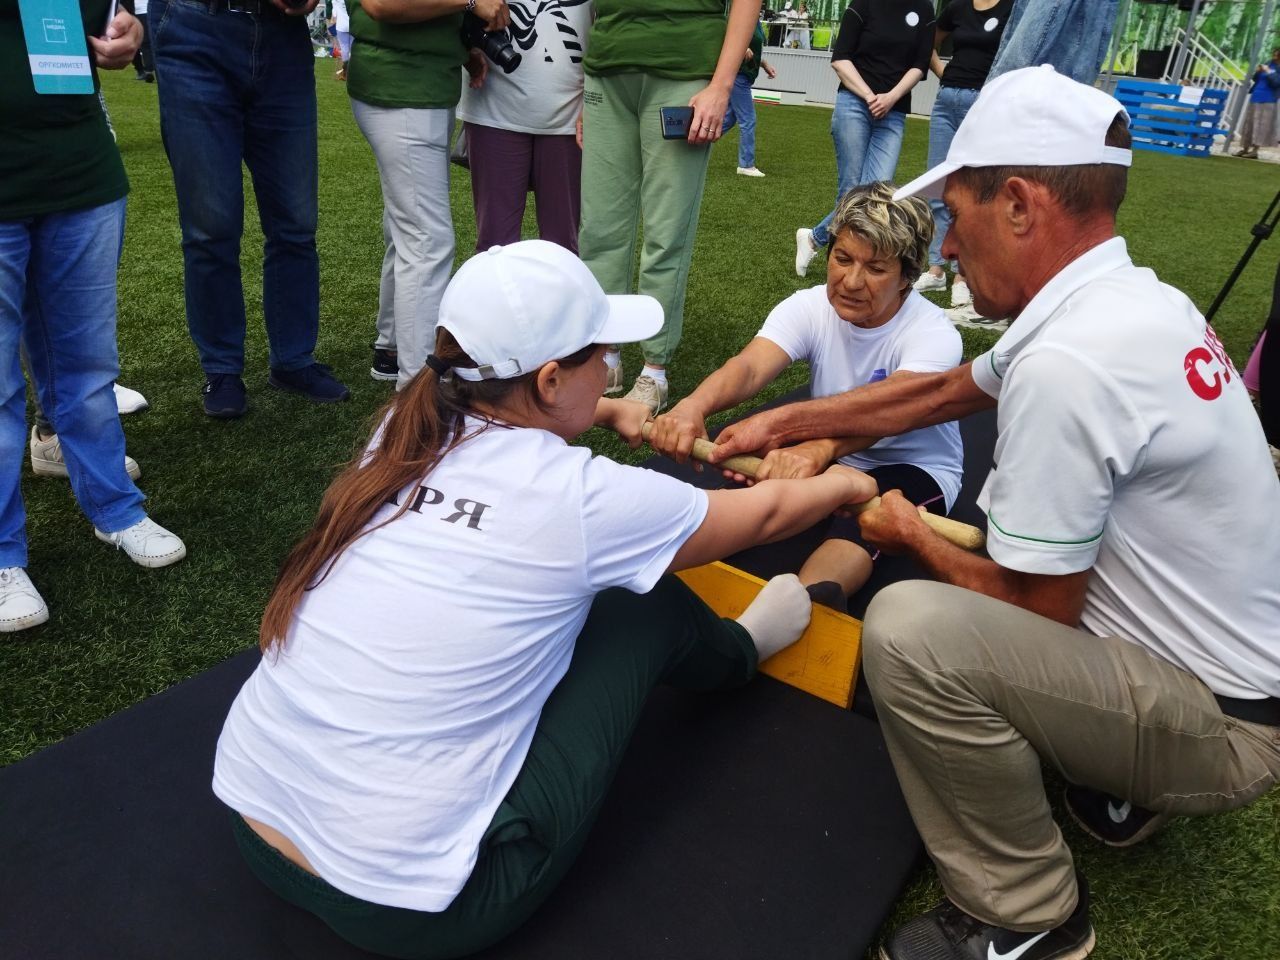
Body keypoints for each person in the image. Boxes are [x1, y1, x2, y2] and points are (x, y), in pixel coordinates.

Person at [709, 66, 1280, 960]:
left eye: (957, 215)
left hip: (1225, 726)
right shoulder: (1129, 298)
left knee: (913, 629)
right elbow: (936, 395)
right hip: (1232, 675)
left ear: (1018, 203)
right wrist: (795, 419)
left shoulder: (1070, 364)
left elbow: (1034, 609)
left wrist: (903, 531)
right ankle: (1121, 784)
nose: (943, 250)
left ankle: (1030, 915)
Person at [212, 241, 875, 959]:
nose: (611, 371)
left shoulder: (397, 434)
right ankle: (744, 649)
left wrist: (604, 411)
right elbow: (771, 515)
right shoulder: (582, 502)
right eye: (604, 361)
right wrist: (846, 484)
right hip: (413, 912)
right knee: (637, 605)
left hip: (253, 825)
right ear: (554, 378)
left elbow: (508, 419)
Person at [650, 183, 962, 603]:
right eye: (842, 258)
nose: (851, 281)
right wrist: (692, 406)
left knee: (860, 528)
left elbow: (896, 411)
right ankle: (660, 570)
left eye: (875, 269)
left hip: (912, 463)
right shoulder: (810, 306)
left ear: (907, 277)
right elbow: (749, 367)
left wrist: (819, 449)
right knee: (755, 501)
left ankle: (798, 607)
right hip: (831, 454)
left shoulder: (934, 334)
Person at [1, 0, 187, 632]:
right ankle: (3, 556)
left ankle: (115, 508)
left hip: (79, 169)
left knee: (85, 365)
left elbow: (110, 16)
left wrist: (126, 32)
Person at [150, 0, 350, 418]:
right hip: (195, 26)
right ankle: (222, 367)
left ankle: (293, 360)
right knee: (211, 225)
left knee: (295, 221)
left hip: (284, 34)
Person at [578, 0, 764, 414]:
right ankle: (604, 355)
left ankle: (654, 370)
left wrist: (721, 85)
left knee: (667, 229)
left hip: (685, 68)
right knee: (599, 228)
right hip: (606, 68)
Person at [350, 0, 508, 390]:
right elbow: (382, 4)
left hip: (414, 81)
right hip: (401, 84)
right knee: (426, 242)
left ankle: (391, 350)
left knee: (406, 230)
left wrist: (461, 48)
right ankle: (419, 387)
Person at [794, 0, 935, 279]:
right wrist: (870, 96)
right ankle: (840, 264)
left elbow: (920, 65)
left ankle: (813, 238)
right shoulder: (864, 3)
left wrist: (891, 97)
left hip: (893, 111)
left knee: (880, 194)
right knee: (851, 190)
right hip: (854, 104)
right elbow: (840, 58)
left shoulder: (924, 9)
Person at [456, 0, 591, 253]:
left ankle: (560, 295)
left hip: (571, 109)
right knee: (495, 247)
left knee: (563, 247)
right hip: (494, 102)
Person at [910, 0, 1012, 311]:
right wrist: (944, 71)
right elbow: (929, 41)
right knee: (940, 187)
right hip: (947, 101)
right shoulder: (957, 8)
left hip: (983, 106)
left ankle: (962, 277)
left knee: (974, 192)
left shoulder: (1011, 9)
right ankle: (937, 269)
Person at [723, 21, 777, 178]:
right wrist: (739, 47)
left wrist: (764, 63)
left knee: (729, 118)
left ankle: (695, 142)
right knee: (748, 119)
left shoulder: (756, 21)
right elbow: (724, 35)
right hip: (738, 75)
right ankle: (746, 165)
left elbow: (753, 50)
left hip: (744, 75)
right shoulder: (738, 13)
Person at [1234, 49, 1280, 159]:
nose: (1274, 56)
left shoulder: (1275, 68)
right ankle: (1245, 148)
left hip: (1268, 99)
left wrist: (1269, 71)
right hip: (1255, 96)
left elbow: (1276, 83)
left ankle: (1255, 150)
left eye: (1276, 55)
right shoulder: (1269, 63)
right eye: (1273, 54)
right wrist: (1258, 71)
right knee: (1249, 124)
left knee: (1260, 126)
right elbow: (1256, 79)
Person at [331, 0, 351, 81]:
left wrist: (332, 25)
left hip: (341, 26)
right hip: (352, 25)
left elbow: (334, 15)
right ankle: (353, 71)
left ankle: (345, 72)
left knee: (344, 49)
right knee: (353, 49)